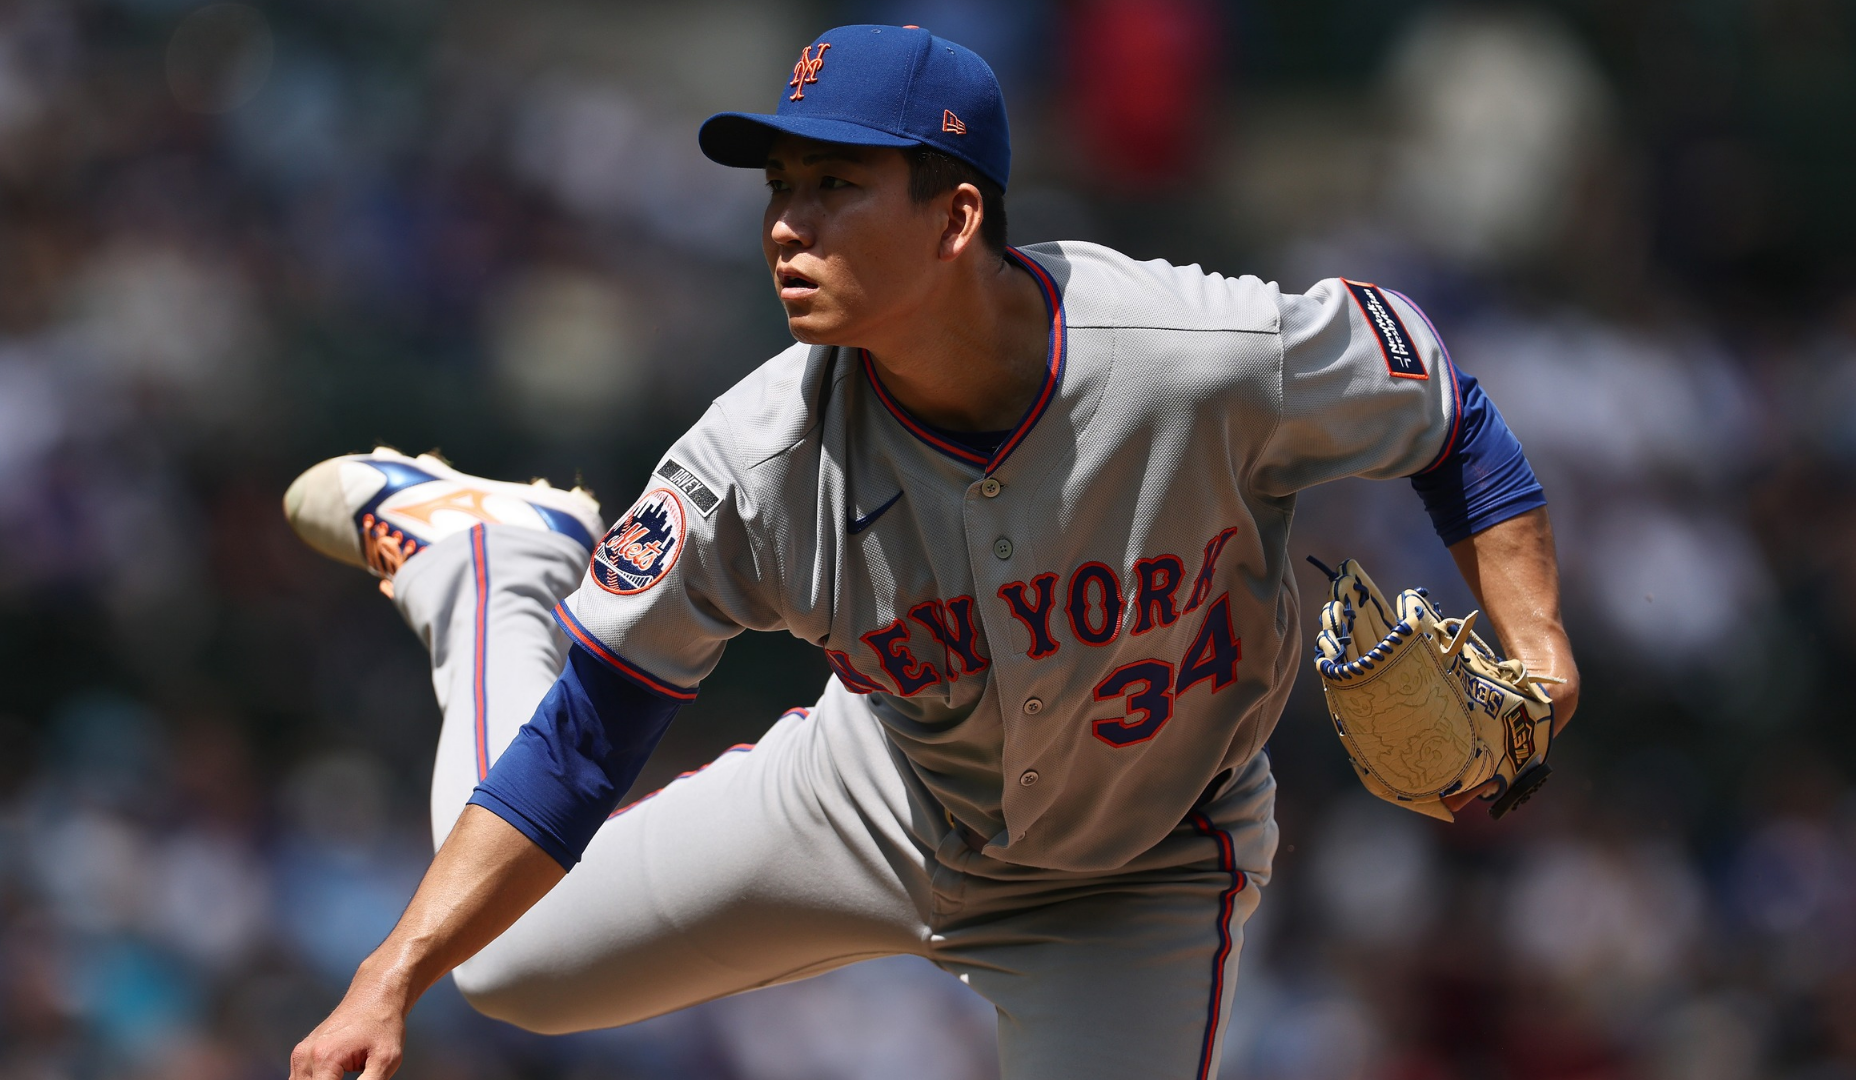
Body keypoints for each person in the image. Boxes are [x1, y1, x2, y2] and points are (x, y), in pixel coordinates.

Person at [284, 24, 1578, 1080]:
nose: (787, 225)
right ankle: (497, 566)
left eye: (835, 187)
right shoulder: (756, 462)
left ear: (958, 216)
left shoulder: (1201, 360)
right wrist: (387, 975)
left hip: (1138, 879)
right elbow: (583, 744)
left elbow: (1443, 410)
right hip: (885, 796)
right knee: (507, 966)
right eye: (781, 188)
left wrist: (1540, 650)